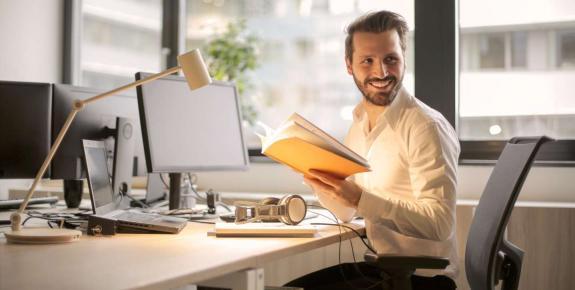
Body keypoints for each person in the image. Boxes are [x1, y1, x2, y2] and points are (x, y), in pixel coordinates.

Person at [285, 10, 460, 290]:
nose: (381, 72)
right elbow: (346, 213)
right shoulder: (359, 124)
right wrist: (316, 178)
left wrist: (361, 198)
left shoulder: (425, 126)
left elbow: (439, 225)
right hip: (384, 269)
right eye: (367, 61)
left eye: (391, 59)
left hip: (424, 279)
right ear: (349, 66)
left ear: (403, 59)